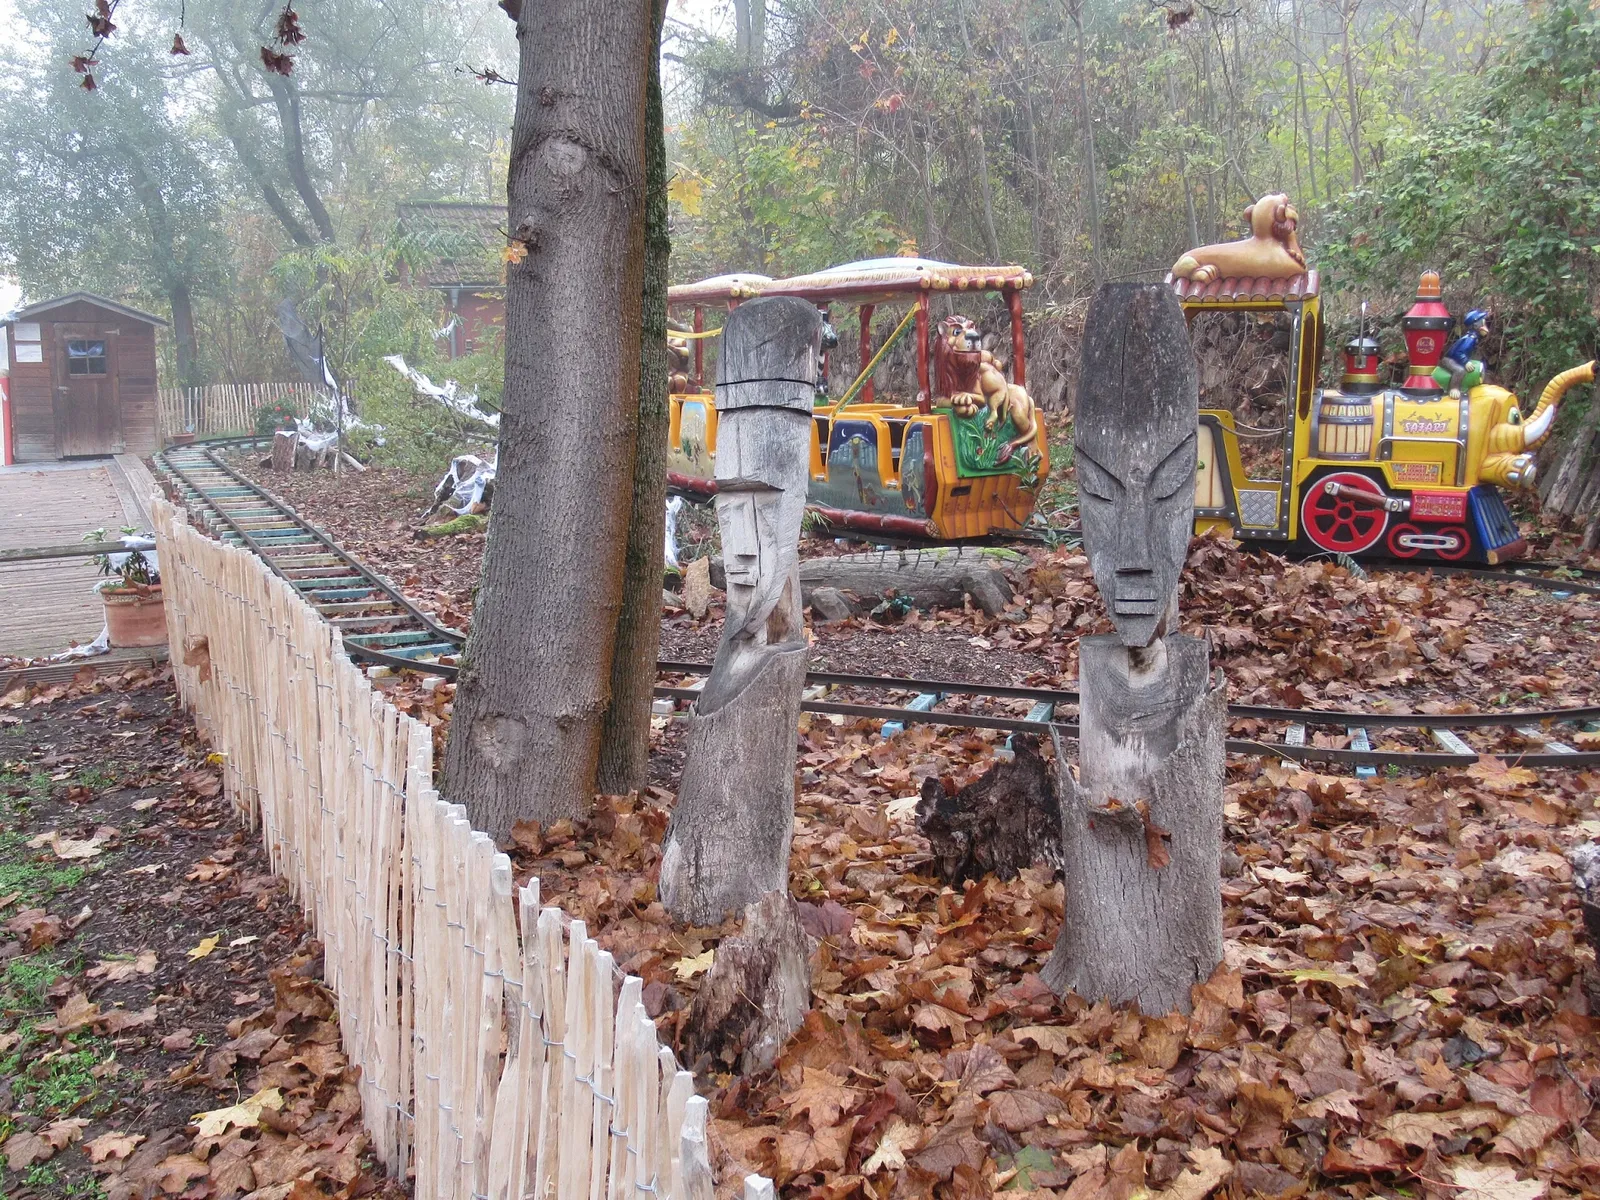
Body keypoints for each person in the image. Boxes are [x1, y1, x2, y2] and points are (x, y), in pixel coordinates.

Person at [1434, 309, 1489, 398]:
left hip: (1454, 358)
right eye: (1482, 323)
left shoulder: (1474, 337)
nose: (1485, 326)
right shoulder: (1470, 339)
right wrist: (1465, 361)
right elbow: (1459, 352)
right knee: (1460, 370)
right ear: (1475, 325)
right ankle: (1453, 388)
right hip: (1449, 360)